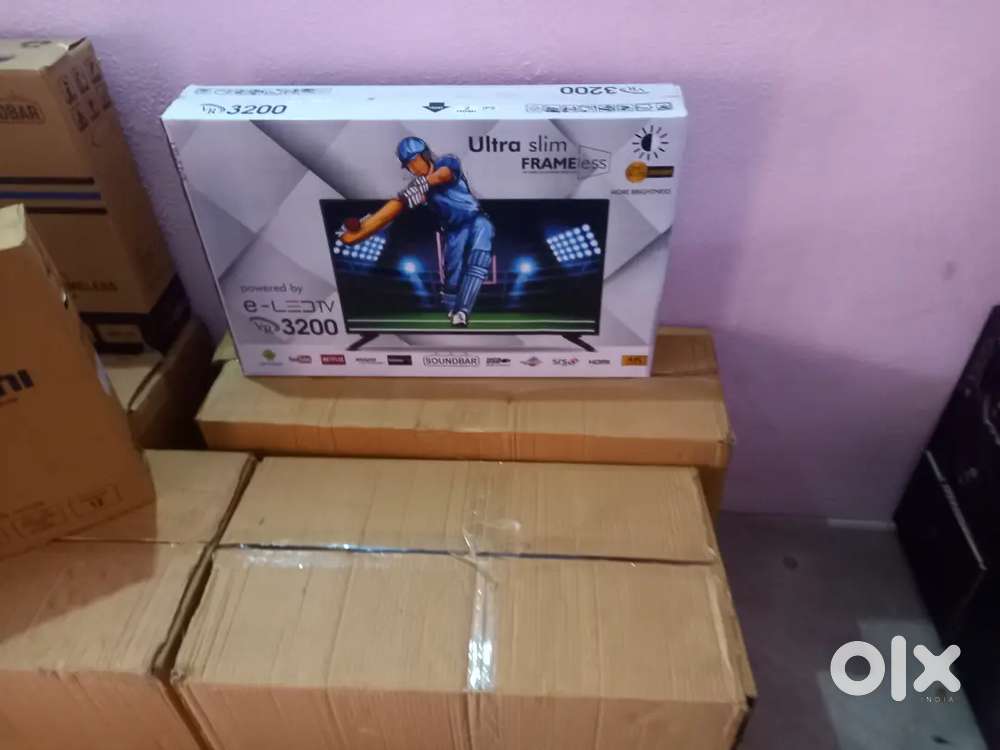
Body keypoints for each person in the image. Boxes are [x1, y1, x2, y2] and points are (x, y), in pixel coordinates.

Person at [338, 137, 494, 327]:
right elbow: (390, 211)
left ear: (425, 155)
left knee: (478, 263)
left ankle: (463, 311)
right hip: (453, 231)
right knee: (452, 277)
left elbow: (442, 175)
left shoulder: (447, 162)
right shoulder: (417, 189)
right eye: (408, 165)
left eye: (414, 160)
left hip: (476, 220)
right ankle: (453, 309)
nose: (412, 168)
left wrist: (423, 184)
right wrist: (361, 230)